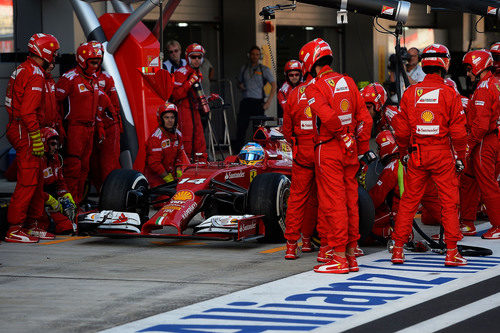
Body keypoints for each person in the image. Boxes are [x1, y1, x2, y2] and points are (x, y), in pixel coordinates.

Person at [300, 38, 373, 273]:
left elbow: (328, 118)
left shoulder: (314, 87)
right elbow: (367, 120)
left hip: (329, 147)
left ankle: (339, 257)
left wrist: (342, 136)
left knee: (333, 203)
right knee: (350, 202)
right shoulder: (349, 81)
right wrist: (359, 147)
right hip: (350, 150)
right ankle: (351, 256)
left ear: (311, 61)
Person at [390, 44, 468, 266]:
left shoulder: (411, 93)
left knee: (408, 203)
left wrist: (405, 152)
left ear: (424, 64)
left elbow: (402, 131)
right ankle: (452, 253)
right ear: (444, 64)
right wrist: (460, 157)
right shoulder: (450, 93)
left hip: (417, 155)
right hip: (442, 155)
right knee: (449, 203)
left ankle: (397, 250)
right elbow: (459, 133)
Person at [4, 33, 60, 243]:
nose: (54, 57)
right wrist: (36, 138)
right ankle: (15, 227)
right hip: (26, 131)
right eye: (53, 52)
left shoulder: (26, 69)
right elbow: (28, 112)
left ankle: (33, 224)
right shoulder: (35, 74)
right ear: (44, 51)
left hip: (22, 129)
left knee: (36, 181)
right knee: (27, 182)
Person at [56, 41, 105, 205]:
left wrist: (100, 127)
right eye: (92, 62)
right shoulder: (69, 78)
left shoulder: (94, 79)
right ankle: (68, 207)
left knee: (85, 169)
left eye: (98, 62)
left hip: (90, 130)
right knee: (73, 169)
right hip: (74, 129)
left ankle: (77, 204)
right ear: (83, 60)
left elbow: (97, 106)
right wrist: (59, 127)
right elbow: (54, 103)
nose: (95, 65)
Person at [460, 50, 500, 239]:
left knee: (487, 184)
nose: (468, 74)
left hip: (485, 140)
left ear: (478, 66)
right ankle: (467, 223)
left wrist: (469, 144)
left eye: (469, 69)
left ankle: (498, 225)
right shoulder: (496, 82)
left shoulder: (484, 87)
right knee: (469, 179)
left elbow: (481, 124)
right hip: (491, 137)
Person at [282, 62, 317, 259]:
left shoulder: (294, 94)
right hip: (323, 151)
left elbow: (287, 130)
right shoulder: (325, 88)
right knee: (323, 199)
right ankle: (318, 244)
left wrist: (297, 143)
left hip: (301, 152)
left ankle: (291, 246)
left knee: (296, 199)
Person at [91, 43, 123, 191]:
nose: (96, 60)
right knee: (93, 165)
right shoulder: (76, 77)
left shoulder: (107, 77)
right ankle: (100, 193)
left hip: (108, 125)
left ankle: (111, 195)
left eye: (98, 57)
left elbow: (114, 105)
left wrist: (118, 126)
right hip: (89, 127)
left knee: (108, 164)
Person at [171, 43, 208, 161]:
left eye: (199, 57)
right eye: (193, 57)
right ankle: (184, 167)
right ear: (188, 57)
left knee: (199, 140)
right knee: (186, 140)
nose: (196, 60)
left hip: (195, 110)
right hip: (184, 111)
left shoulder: (198, 73)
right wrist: (190, 82)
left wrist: (207, 98)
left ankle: (201, 166)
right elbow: (176, 95)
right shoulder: (181, 72)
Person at [236, 46, 276, 150]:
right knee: (241, 127)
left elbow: (274, 85)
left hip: (258, 102)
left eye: (257, 54)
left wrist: (268, 101)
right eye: (253, 54)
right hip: (246, 101)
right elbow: (238, 82)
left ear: (260, 56)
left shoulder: (264, 69)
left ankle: (259, 150)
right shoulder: (244, 68)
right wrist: (240, 85)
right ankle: (238, 151)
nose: (255, 56)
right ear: (249, 55)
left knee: (258, 129)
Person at [39, 127, 76, 235]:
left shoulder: (56, 159)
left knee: (76, 219)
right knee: (65, 227)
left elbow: (60, 182)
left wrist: (66, 195)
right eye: (52, 144)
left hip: (52, 199)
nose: (55, 147)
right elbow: (33, 191)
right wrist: (49, 199)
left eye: (56, 144)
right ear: (44, 143)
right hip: (40, 202)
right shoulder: (37, 161)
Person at [144, 103, 190, 187]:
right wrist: (168, 179)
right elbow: (154, 163)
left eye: (172, 117)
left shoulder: (178, 135)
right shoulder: (156, 137)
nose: (170, 120)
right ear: (161, 119)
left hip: (172, 177)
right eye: (166, 117)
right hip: (156, 179)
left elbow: (180, 155)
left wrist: (179, 173)